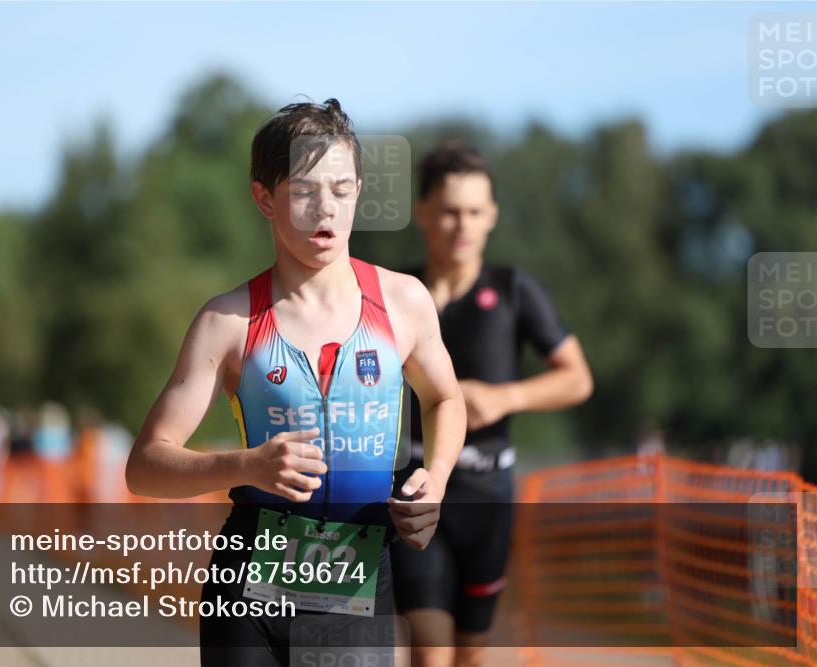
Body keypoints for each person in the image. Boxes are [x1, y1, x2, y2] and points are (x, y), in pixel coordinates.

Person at [126, 99, 467, 667]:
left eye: (341, 188)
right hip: (247, 596)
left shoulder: (404, 302)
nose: (325, 209)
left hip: (356, 589)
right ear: (265, 198)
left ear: (359, 189)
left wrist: (437, 478)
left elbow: (445, 397)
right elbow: (144, 467)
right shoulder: (227, 321)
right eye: (304, 190)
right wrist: (247, 466)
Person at [390, 141, 594, 667]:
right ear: (423, 213)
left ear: (493, 217)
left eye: (476, 212)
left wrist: (506, 397)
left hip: (489, 495)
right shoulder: (397, 296)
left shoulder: (513, 291)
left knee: (469, 655)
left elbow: (577, 379)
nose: (463, 224)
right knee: (430, 651)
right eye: (451, 210)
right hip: (418, 488)